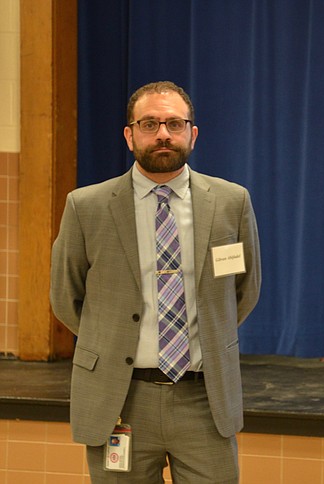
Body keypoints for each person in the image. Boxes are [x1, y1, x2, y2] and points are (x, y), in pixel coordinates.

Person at [50, 81, 261, 483]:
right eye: (149, 124)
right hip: (120, 398)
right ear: (129, 135)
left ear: (192, 134)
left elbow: (244, 291)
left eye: (174, 124)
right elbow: (65, 297)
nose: (163, 133)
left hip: (204, 398)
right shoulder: (87, 206)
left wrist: (208, 335)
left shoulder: (232, 202)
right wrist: (112, 342)